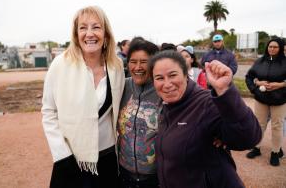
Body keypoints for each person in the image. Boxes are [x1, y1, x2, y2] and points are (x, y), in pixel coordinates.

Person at [148, 50, 261, 188]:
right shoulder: (165, 106)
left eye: (173, 75)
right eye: (159, 78)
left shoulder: (206, 103)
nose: (167, 84)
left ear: (185, 75)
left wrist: (225, 90)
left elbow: (249, 137)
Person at [41, 6, 125, 188]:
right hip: (72, 160)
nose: (89, 34)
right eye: (83, 27)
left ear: (106, 33)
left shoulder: (116, 66)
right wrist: (62, 156)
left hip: (108, 159)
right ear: (75, 33)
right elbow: (49, 112)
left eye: (96, 27)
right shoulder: (60, 65)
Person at [117, 39, 161, 188]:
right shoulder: (121, 87)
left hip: (156, 177)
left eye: (144, 62)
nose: (137, 67)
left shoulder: (164, 88)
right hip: (124, 174)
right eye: (133, 61)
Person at [245, 38, 286, 166]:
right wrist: (256, 85)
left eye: (275, 47)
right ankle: (256, 148)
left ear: (280, 48)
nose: (272, 49)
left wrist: (280, 85)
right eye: (270, 46)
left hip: (280, 99)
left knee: (277, 126)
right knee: (259, 124)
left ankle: (275, 152)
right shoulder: (259, 61)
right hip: (261, 98)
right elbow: (249, 77)